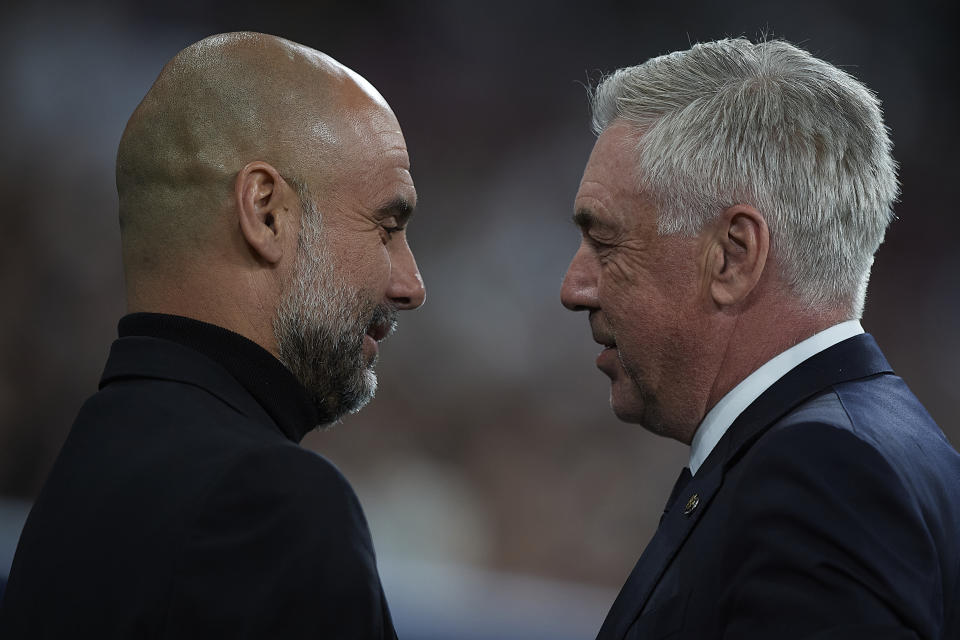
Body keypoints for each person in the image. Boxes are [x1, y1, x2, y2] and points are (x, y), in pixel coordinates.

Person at [0, 32, 424, 638]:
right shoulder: (272, 505)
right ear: (266, 211)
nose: (411, 284)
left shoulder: (75, 487)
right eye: (387, 227)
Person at [561, 38, 960, 640]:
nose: (574, 287)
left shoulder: (821, 475)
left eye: (607, 242)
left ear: (732, 257)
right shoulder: (883, 447)